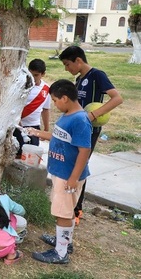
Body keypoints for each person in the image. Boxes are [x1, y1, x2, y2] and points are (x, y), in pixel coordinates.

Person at [27, 79, 93, 264]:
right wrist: (36, 132)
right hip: (60, 173)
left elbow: (84, 150)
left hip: (68, 176)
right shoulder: (68, 115)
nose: (54, 104)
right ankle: (65, 242)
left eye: (55, 100)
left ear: (65, 98)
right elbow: (58, 137)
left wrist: (72, 178)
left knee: (62, 213)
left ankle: (61, 253)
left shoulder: (80, 120)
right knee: (65, 210)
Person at [58, 46, 123, 225]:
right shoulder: (79, 80)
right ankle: (68, 205)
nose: (66, 69)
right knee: (71, 165)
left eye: (67, 64)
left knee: (80, 167)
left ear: (78, 60)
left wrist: (94, 114)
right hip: (75, 128)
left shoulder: (97, 76)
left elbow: (117, 98)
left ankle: (77, 209)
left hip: (89, 131)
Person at [14, 59, 51, 159]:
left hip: (34, 125)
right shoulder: (20, 86)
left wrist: (46, 128)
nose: (33, 78)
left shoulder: (46, 89)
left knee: (31, 156)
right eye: (31, 74)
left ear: (43, 74)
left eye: (36, 75)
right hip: (18, 125)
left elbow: (46, 109)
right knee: (16, 154)